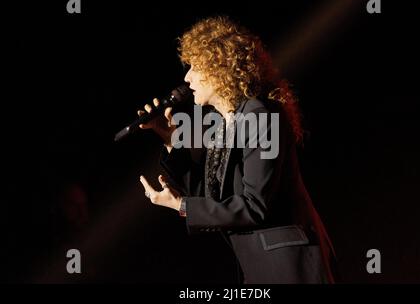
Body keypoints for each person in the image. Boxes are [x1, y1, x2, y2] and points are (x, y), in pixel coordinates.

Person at [138, 16, 337, 283]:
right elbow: (216, 201)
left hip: (290, 266)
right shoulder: (225, 123)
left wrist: (183, 206)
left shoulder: (261, 115)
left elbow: (255, 205)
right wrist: (171, 140)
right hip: (260, 267)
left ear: (220, 67)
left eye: (195, 67)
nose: (187, 78)